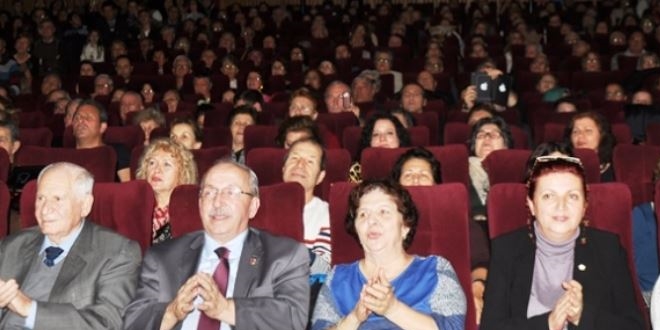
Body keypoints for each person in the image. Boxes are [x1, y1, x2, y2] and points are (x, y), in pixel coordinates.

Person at [123, 160, 310, 329]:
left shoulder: (285, 255)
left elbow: (293, 318)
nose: (217, 202)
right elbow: (133, 321)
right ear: (199, 204)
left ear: (253, 206)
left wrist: (225, 309)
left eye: (231, 192)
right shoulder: (162, 256)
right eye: (209, 192)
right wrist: (172, 312)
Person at [481, 156, 644, 329]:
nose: (561, 206)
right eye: (548, 196)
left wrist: (583, 316)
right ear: (531, 204)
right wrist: (548, 324)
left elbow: (634, 326)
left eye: (572, 196)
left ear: (584, 205)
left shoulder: (608, 248)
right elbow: (490, 327)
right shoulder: (506, 249)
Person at [0, 162, 141, 328]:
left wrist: (30, 309)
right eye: (41, 198)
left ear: (85, 205)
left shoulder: (117, 252)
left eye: (57, 199)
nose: (45, 209)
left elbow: (108, 322)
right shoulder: (12, 245)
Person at [311, 179, 467, 329]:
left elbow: (454, 327)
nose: (371, 220)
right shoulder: (337, 277)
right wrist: (354, 318)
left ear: (405, 227)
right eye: (363, 214)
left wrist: (393, 309)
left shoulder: (435, 269)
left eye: (383, 212)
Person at [282, 138, 331, 282]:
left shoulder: (327, 215)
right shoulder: (256, 207)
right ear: (283, 168)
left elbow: (322, 269)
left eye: (310, 161)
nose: (300, 165)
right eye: (295, 158)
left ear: (320, 177)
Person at [136, 139, 198, 243]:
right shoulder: (133, 209)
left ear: (182, 173)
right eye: (152, 163)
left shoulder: (191, 213)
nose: (156, 170)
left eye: (166, 164)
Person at [468, 116, 513, 226]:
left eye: (494, 135)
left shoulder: (517, 173)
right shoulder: (458, 171)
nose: (487, 138)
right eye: (481, 135)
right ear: (474, 146)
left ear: (506, 145)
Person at [72, 99, 131, 182]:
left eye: (88, 118)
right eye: (77, 118)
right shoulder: (64, 156)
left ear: (102, 127)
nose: (81, 121)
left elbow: (127, 188)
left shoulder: (117, 152)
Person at [349, 112, 411, 183]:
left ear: (399, 139)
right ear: (369, 141)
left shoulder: (411, 165)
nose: (382, 138)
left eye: (389, 133)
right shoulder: (357, 169)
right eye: (376, 134)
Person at [564, 111, 616, 182]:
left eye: (588, 131)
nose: (580, 135)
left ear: (602, 136)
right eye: (576, 131)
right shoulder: (562, 165)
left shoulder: (616, 168)